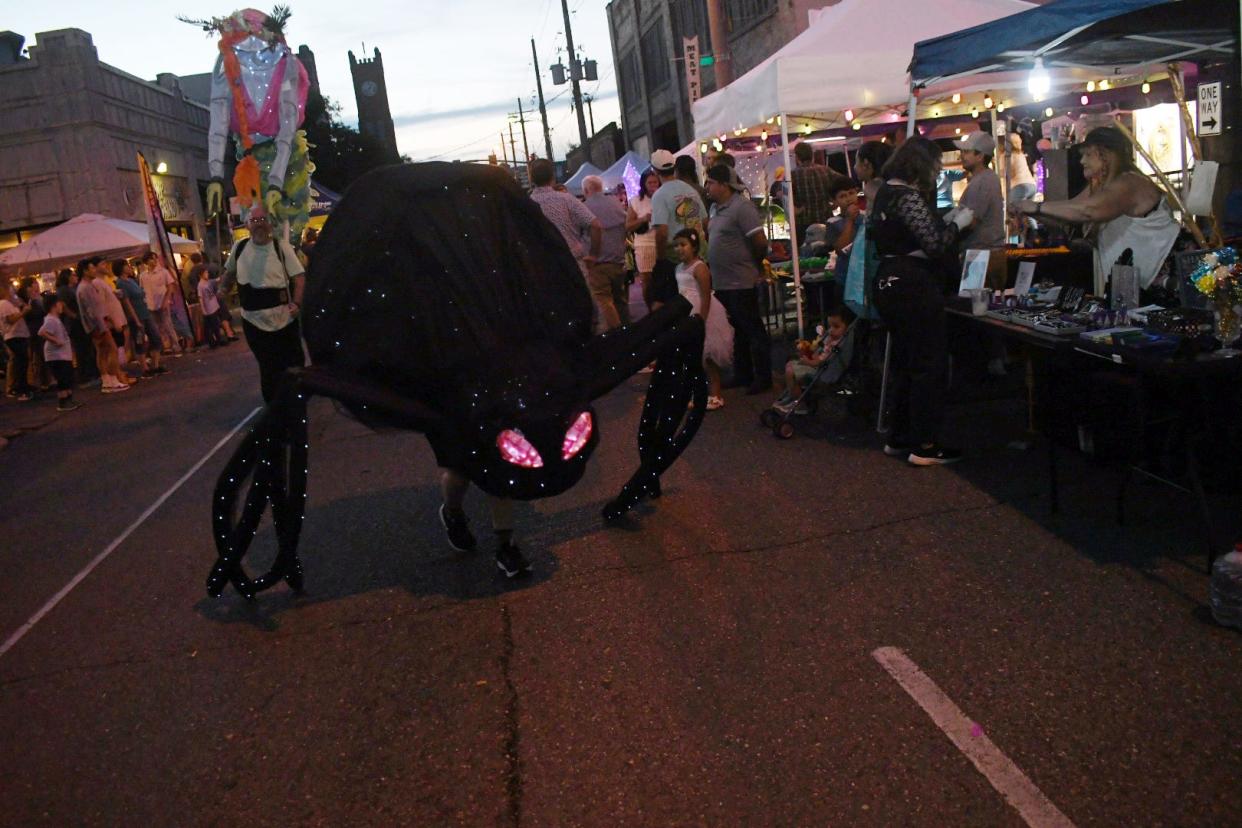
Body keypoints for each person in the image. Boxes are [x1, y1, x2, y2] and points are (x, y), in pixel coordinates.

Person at [871, 136, 972, 466]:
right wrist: (958, 223)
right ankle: (925, 444)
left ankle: (899, 436)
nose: (939, 171)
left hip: (887, 280)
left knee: (904, 361)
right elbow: (935, 245)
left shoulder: (884, 193)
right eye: (937, 166)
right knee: (928, 363)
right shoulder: (906, 196)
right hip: (912, 283)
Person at [1012, 125, 1178, 291]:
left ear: (1106, 154)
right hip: (1136, 283)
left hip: (1163, 274)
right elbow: (1069, 217)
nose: (1082, 161)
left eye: (1088, 154)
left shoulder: (1130, 182)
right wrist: (1030, 211)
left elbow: (1086, 211)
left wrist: (1037, 207)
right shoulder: (1100, 186)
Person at [220, 208, 306, 403]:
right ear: (248, 224)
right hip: (253, 321)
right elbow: (229, 273)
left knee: (293, 363)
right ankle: (274, 407)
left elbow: (299, 278)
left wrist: (297, 303)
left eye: (262, 219)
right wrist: (223, 289)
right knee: (267, 367)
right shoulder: (239, 248)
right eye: (254, 219)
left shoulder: (281, 247)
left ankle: (296, 400)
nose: (258, 223)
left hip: (284, 319)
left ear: (270, 223)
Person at [704, 163, 771, 394]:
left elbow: (760, 242)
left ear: (724, 184)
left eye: (711, 182)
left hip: (741, 281)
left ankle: (764, 377)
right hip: (723, 282)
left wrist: (754, 265)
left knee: (752, 329)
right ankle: (743, 373)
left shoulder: (742, 208)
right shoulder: (715, 209)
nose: (707, 187)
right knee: (737, 331)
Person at [672, 227, 733, 410]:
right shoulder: (678, 268)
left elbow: (705, 296)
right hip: (685, 312)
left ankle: (716, 394)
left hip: (703, 313)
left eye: (683, 245)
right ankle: (697, 393)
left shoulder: (700, 268)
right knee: (692, 357)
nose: (679, 249)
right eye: (676, 245)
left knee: (708, 357)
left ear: (694, 246)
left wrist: (702, 319)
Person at [528, 158, 602, 285]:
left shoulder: (526, 204)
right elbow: (595, 225)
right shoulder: (567, 199)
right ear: (553, 176)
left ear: (531, 179)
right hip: (573, 265)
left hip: (543, 270)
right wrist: (593, 255)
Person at [649, 149, 706, 309]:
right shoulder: (690, 190)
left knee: (667, 303)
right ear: (674, 167)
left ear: (655, 171)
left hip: (674, 258)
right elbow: (706, 221)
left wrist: (660, 259)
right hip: (697, 256)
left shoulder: (659, 195)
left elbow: (661, 232)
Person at [774, 304, 855, 413]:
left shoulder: (838, 345)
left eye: (836, 327)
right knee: (789, 365)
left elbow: (820, 361)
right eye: (830, 326)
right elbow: (820, 354)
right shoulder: (832, 340)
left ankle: (799, 403)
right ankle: (791, 395)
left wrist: (808, 361)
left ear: (848, 328)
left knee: (790, 371)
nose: (831, 330)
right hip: (819, 367)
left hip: (823, 373)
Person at [581, 174, 630, 331]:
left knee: (604, 301)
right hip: (618, 260)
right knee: (620, 300)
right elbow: (626, 224)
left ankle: (618, 336)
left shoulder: (585, 207)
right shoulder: (615, 203)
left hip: (598, 263)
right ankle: (629, 332)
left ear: (587, 190)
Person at [76, 258, 131, 392]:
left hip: (94, 326)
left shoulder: (83, 286)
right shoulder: (87, 287)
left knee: (102, 352)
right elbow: (93, 310)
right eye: (92, 268)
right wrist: (104, 324)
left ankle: (106, 380)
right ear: (85, 271)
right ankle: (112, 380)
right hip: (99, 325)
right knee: (112, 350)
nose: (94, 270)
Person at [954, 131, 1006, 251]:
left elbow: (971, 221)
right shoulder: (984, 178)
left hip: (983, 252)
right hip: (984, 251)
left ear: (980, 156)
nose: (961, 156)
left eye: (966, 152)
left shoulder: (983, 180)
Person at [114, 259, 166, 377]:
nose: (129, 267)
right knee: (140, 341)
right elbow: (127, 303)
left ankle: (155, 364)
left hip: (145, 312)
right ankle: (144, 368)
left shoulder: (132, 281)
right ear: (121, 268)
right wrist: (136, 319)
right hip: (136, 316)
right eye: (126, 266)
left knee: (156, 337)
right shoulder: (121, 283)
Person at [790, 141, 845, 244]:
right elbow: (845, 183)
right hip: (825, 220)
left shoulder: (792, 175)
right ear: (812, 155)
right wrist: (835, 203)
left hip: (804, 224)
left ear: (797, 157)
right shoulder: (826, 170)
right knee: (827, 252)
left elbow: (782, 194)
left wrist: (797, 210)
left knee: (806, 256)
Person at [823, 177, 864, 306]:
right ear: (834, 201)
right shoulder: (832, 222)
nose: (848, 198)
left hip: (864, 274)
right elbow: (841, 249)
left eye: (851, 193)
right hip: (846, 277)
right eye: (842, 196)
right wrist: (850, 220)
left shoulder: (867, 216)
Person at [37, 296, 80, 411]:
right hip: (56, 355)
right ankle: (63, 402)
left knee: (67, 377)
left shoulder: (54, 319)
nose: (62, 307)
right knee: (62, 379)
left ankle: (69, 399)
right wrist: (56, 341)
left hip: (62, 354)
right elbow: (41, 332)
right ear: (54, 306)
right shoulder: (51, 319)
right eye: (60, 304)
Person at [139, 252, 185, 358]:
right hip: (150, 304)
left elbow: (170, 286)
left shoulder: (163, 272)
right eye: (151, 259)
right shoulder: (143, 275)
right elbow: (142, 289)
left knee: (167, 324)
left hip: (163, 302)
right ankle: (165, 346)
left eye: (155, 259)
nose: (154, 261)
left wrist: (166, 299)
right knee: (157, 327)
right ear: (146, 262)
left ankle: (175, 345)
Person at [56, 268, 97, 384]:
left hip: (78, 320)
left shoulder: (72, 288)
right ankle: (84, 376)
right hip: (74, 323)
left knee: (85, 347)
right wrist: (73, 316)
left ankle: (89, 373)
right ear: (67, 277)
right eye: (73, 275)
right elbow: (62, 305)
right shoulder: (64, 290)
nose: (76, 277)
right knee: (81, 349)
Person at [626, 168, 661, 305]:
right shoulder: (636, 201)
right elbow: (628, 226)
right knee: (646, 280)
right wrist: (643, 219)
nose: (653, 186)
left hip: (661, 241)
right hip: (644, 244)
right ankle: (650, 308)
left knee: (661, 278)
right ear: (643, 184)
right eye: (650, 183)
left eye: (655, 182)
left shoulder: (662, 197)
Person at [1, 280, 35, 401]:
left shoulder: (10, 304)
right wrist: (23, 312)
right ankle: (21, 389)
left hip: (18, 335)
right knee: (20, 362)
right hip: (13, 335)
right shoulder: (4, 303)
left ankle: (24, 386)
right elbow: (10, 319)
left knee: (23, 361)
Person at [18, 277, 49, 393]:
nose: (37, 285)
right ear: (28, 287)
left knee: (42, 355)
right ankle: (42, 381)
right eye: (34, 283)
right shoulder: (27, 301)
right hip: (34, 331)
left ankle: (45, 380)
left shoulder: (37, 298)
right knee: (39, 356)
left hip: (38, 329)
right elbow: (35, 314)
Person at [855, 141, 894, 206]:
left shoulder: (873, 189)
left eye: (856, 161)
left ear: (865, 163)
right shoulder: (892, 185)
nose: (855, 167)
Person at [196, 267, 228, 347]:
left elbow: (218, 279)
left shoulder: (209, 282)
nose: (207, 274)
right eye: (205, 273)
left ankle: (215, 341)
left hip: (214, 306)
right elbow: (201, 299)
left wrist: (225, 273)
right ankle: (216, 341)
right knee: (213, 326)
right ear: (200, 275)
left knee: (214, 325)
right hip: (209, 309)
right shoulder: (200, 285)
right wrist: (203, 310)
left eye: (207, 272)